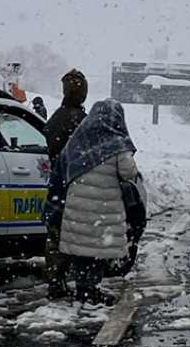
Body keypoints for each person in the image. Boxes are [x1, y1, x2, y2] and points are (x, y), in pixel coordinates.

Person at [54, 99, 139, 305]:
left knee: (82, 251)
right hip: (103, 207)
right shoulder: (117, 143)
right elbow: (129, 173)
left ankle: (83, 287)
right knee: (97, 252)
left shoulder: (78, 139)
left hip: (77, 204)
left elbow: (63, 164)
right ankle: (91, 289)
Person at [41, 69, 88, 299]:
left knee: (57, 234)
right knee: (66, 235)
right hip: (72, 185)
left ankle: (57, 279)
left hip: (61, 186)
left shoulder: (60, 117)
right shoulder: (78, 119)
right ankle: (61, 281)